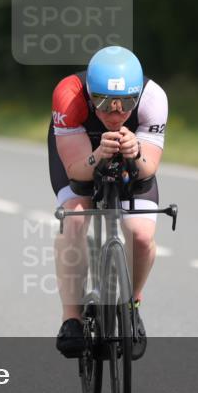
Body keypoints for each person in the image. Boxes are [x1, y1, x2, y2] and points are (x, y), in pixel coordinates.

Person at [48, 46, 168, 359]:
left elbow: (148, 168)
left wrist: (135, 152)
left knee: (141, 236)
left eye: (126, 104)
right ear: (89, 94)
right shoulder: (69, 95)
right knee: (75, 221)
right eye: (103, 103)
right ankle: (71, 318)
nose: (115, 114)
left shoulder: (153, 98)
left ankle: (132, 303)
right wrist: (97, 154)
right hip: (80, 150)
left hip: (132, 156)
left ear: (137, 95)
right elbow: (76, 171)